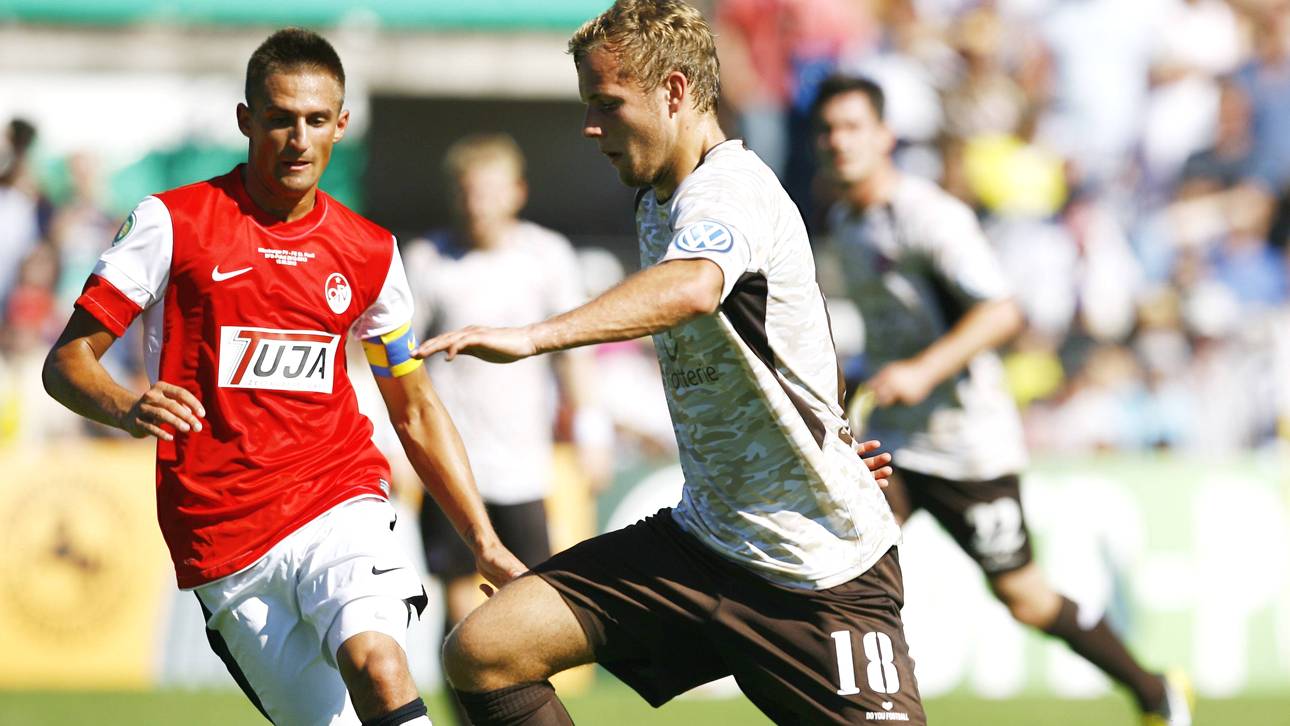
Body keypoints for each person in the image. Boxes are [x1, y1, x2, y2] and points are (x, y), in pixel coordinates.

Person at [411, 2, 926, 724]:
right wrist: (829, 437)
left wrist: (533, 337)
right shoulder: (661, 199)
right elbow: (783, 334)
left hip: (817, 573)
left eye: (607, 105)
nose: (592, 128)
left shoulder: (729, 190)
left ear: (676, 92)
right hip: (704, 544)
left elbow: (693, 288)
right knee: (485, 648)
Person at [42, 28, 525, 726]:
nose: (299, 138)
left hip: (339, 497)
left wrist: (483, 540)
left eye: (317, 120)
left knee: (380, 663)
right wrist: (127, 405)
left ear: (342, 125)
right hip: (222, 534)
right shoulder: (170, 223)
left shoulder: (369, 251)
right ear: (246, 120)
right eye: (280, 119)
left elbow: (412, 405)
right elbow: (66, 362)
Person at [811, 73, 1194, 726]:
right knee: (846, 569)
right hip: (896, 442)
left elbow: (1002, 311)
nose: (838, 142)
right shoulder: (847, 221)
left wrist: (924, 370)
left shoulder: (928, 217)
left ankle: (1154, 689)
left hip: (967, 443)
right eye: (828, 130)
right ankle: (872, 710)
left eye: (853, 127)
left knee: (1025, 596)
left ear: (886, 136)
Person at [402, 133, 612, 724]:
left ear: (516, 193)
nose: (477, 205)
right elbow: (397, 366)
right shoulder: (427, 261)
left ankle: (521, 712)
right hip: (453, 467)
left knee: (528, 606)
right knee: (459, 606)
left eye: (489, 191)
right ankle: (472, 718)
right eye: (467, 192)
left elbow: (575, 351)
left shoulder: (546, 256)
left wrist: (591, 432)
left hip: (523, 465)